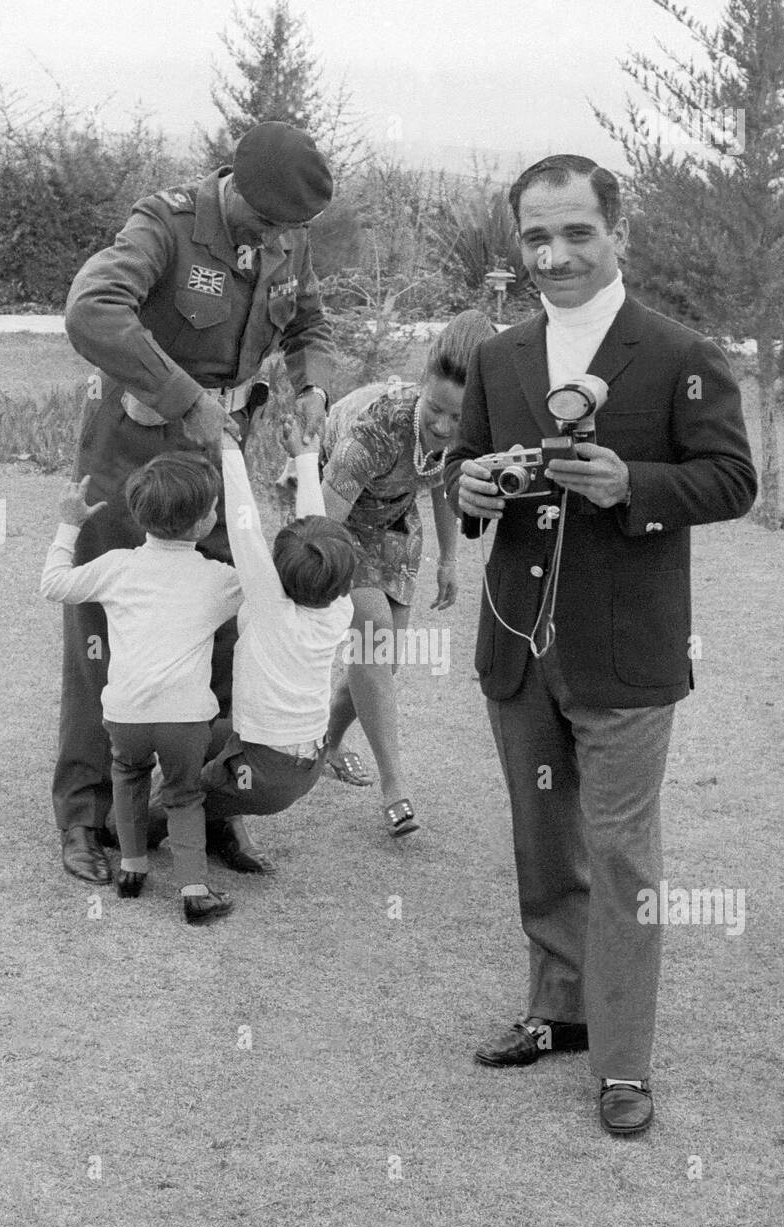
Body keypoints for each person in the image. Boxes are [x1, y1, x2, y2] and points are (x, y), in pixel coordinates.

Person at [443, 155, 757, 1136]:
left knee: (620, 855)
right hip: (515, 643)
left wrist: (633, 487)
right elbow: (461, 460)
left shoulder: (679, 353)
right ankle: (559, 1010)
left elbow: (731, 480)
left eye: (576, 231)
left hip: (626, 650)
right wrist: (472, 488)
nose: (555, 253)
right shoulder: (499, 357)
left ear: (616, 233)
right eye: (536, 236)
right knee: (542, 843)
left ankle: (621, 1062)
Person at [53, 121, 337, 886]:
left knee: (222, 632)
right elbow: (92, 310)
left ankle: (207, 814)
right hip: (136, 456)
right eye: (269, 223)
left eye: (291, 231)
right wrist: (182, 396)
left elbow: (307, 320)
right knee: (108, 638)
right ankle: (87, 818)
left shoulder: (288, 235)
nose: (279, 240)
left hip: (224, 463)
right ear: (236, 186)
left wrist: (310, 383)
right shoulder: (166, 223)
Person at [317, 310, 497, 836]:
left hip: (395, 521)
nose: (444, 427)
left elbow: (442, 480)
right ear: (421, 387)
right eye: (436, 409)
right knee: (372, 635)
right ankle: (395, 785)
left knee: (384, 660)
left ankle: (325, 742)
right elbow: (325, 519)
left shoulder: (463, 434)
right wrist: (310, 589)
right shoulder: (378, 426)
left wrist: (449, 558)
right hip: (339, 522)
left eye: (459, 419)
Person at [148, 419, 356, 871]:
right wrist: (304, 456)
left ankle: (129, 831)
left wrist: (229, 451)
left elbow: (244, 531)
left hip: (262, 771)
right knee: (195, 735)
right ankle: (197, 797)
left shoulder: (272, 609)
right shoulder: (339, 611)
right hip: (300, 760)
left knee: (158, 811)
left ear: (278, 575)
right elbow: (318, 532)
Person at [40, 456, 240, 922]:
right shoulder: (216, 578)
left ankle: (132, 868)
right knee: (183, 795)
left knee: (128, 779)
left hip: (126, 714)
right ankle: (194, 889)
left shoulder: (116, 566)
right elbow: (265, 589)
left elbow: (54, 585)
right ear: (204, 520)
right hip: (186, 719)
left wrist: (68, 525)